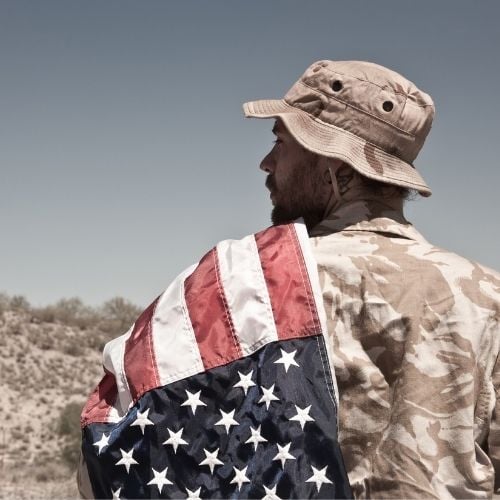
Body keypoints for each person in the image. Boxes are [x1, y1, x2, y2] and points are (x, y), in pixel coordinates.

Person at [79, 60, 500, 499]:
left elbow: (118, 453)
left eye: (281, 141)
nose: (266, 163)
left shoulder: (249, 286)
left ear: (338, 170)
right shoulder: (487, 296)